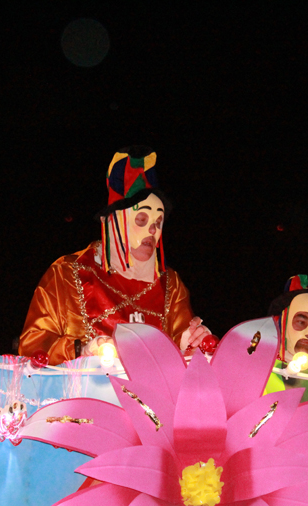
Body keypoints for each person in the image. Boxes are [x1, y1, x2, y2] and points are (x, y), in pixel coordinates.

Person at [19, 146, 208, 365]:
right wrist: (82, 350)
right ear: (111, 222)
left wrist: (193, 343)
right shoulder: (66, 274)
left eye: (158, 222)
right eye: (141, 220)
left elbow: (181, 353)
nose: (153, 231)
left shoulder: (171, 285)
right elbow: (33, 347)